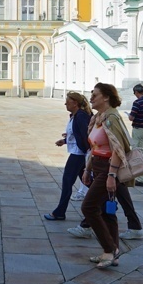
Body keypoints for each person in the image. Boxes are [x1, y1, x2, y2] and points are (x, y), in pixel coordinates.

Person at [80, 82, 134, 269]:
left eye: (95, 95)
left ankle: (110, 250)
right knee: (106, 211)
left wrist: (111, 175)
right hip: (98, 166)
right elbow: (95, 148)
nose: (91, 98)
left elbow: (118, 149)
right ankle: (113, 253)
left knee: (88, 207)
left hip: (110, 168)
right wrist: (88, 169)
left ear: (106, 97)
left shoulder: (111, 118)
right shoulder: (98, 118)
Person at [45, 92, 91, 222]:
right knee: (88, 181)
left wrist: (88, 152)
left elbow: (86, 135)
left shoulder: (81, 116)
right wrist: (65, 141)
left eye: (68, 101)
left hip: (79, 154)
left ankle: (60, 212)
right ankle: (105, 203)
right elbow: (77, 134)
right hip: (80, 152)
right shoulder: (76, 115)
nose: (65, 104)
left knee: (67, 181)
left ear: (75, 103)